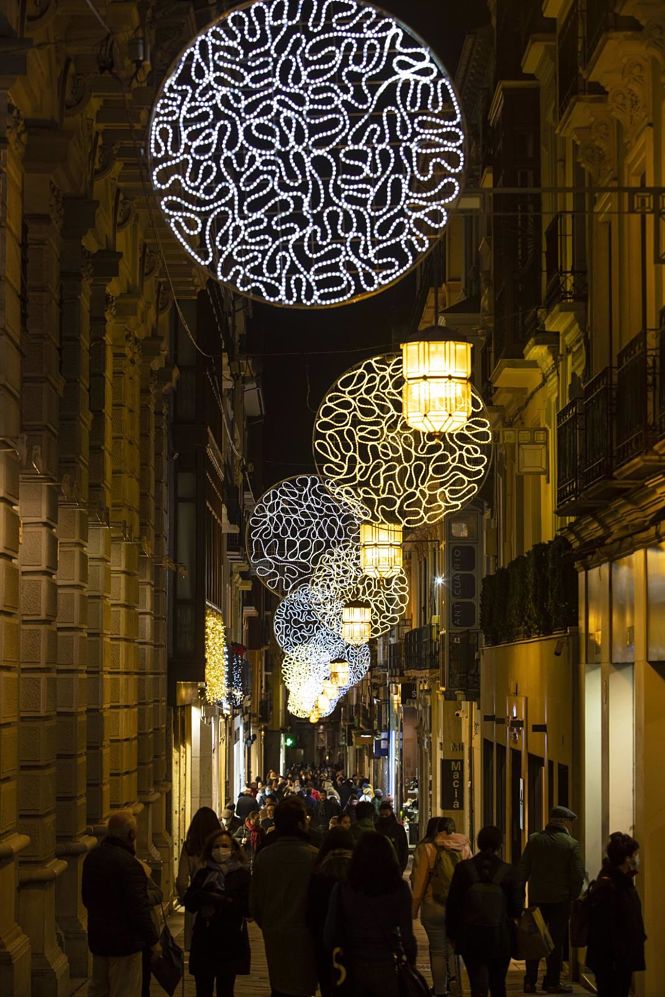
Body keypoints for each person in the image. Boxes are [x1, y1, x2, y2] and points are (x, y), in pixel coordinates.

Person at [325, 830, 417, 997]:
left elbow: (330, 933)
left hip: (352, 964)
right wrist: (410, 962)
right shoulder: (399, 888)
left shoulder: (343, 889)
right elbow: (407, 936)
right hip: (387, 963)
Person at [82, 811, 160, 997]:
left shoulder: (93, 857)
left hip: (99, 940)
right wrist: (153, 942)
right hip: (126, 943)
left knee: (99, 989)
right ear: (131, 834)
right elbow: (138, 908)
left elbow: (87, 898)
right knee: (124, 990)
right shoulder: (129, 864)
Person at [251, 796, 319, 997]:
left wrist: (268, 922)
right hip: (306, 935)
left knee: (279, 984)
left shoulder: (265, 857)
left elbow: (255, 901)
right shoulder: (314, 857)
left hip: (274, 931)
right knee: (303, 986)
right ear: (300, 824)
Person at [446, 825, 523, 997]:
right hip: (500, 937)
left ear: (478, 843)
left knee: (477, 985)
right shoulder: (509, 872)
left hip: (471, 935)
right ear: (500, 845)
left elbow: (453, 904)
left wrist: (452, 934)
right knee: (498, 984)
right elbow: (516, 909)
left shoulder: (463, 869)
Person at [518, 805, 585, 994]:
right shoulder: (571, 844)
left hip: (537, 899)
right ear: (564, 822)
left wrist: (521, 895)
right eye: (570, 822)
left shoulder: (534, 840)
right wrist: (573, 895)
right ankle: (552, 981)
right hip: (560, 900)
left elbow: (523, 869)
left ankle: (530, 981)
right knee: (555, 941)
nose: (571, 826)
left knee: (534, 939)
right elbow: (578, 875)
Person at [183, 828, 251, 997]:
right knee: (203, 989)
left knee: (226, 989)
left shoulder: (241, 874)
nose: (221, 850)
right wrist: (203, 896)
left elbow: (247, 907)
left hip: (230, 940)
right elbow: (189, 902)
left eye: (225, 846)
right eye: (216, 846)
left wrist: (223, 901)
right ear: (210, 849)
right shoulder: (203, 873)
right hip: (205, 939)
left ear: (233, 849)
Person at [411, 817, 472, 997]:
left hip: (433, 904)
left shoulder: (426, 848)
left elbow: (420, 881)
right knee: (453, 948)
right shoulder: (464, 846)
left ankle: (439, 990)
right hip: (458, 905)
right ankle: (455, 983)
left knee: (437, 950)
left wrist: (414, 908)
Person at [586, 832, 646, 997]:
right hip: (613, 959)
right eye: (636, 855)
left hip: (620, 956)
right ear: (627, 858)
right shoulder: (611, 885)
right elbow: (606, 927)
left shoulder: (622, 881)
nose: (638, 859)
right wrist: (619, 954)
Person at [307, 827, 354, 997]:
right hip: (354, 941)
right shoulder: (359, 870)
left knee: (329, 985)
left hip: (324, 941)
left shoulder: (320, 871)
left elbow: (311, 909)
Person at [177, 806, 222, 949]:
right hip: (219, 900)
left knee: (197, 946)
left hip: (196, 901)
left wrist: (185, 899)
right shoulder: (222, 847)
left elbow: (182, 881)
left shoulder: (189, 847)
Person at [376, 800, 410, 873]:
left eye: (386, 815)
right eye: (382, 815)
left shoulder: (398, 829)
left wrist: (401, 867)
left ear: (391, 814)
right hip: (379, 868)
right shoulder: (376, 828)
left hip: (395, 866)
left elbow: (404, 849)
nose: (384, 817)